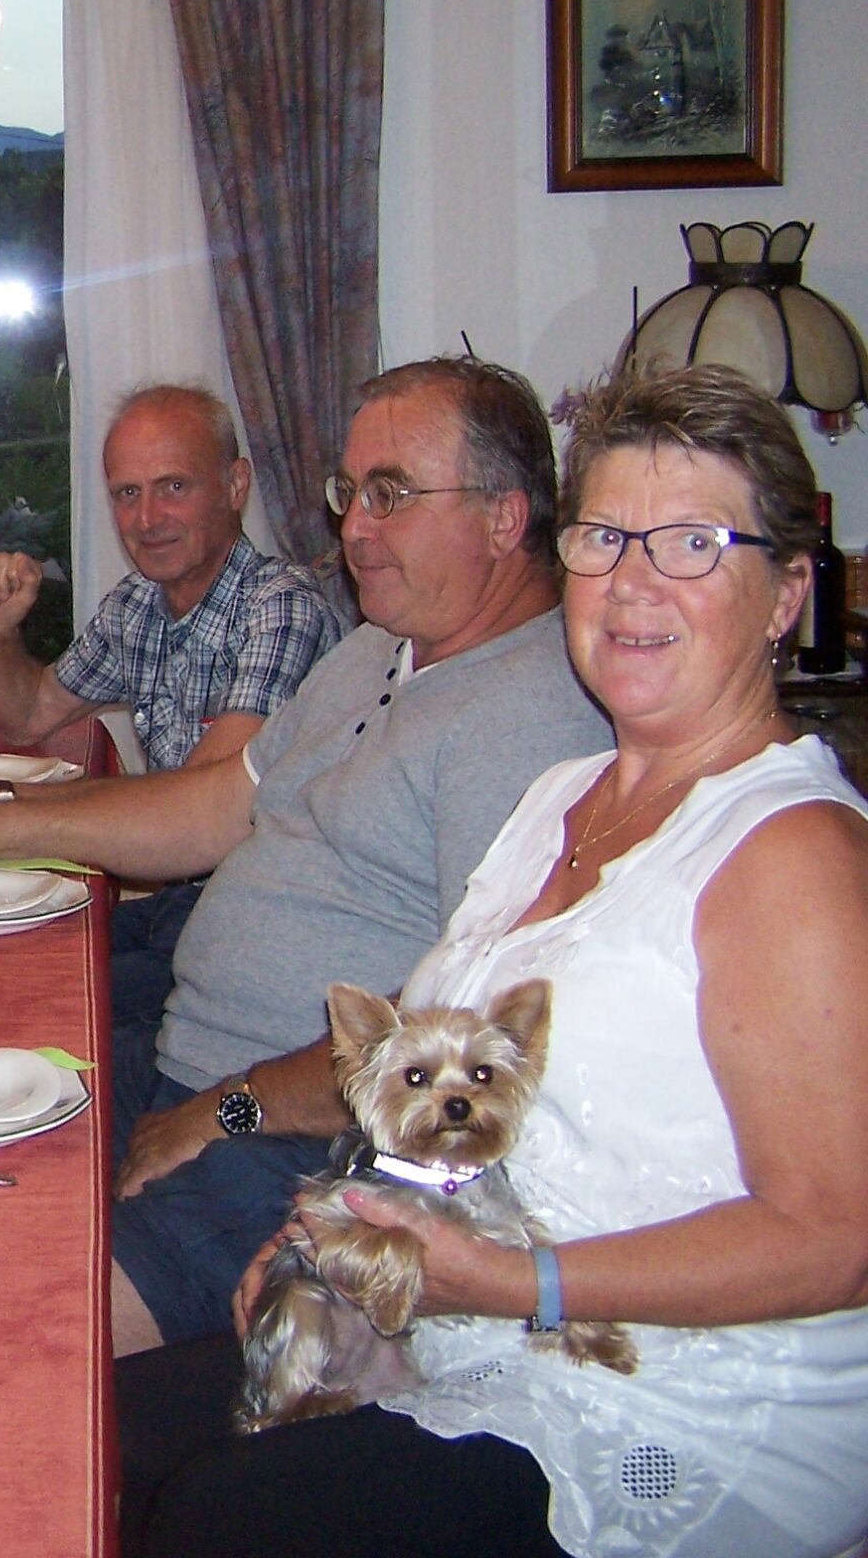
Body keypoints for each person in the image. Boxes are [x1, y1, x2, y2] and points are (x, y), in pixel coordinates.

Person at [120, 365, 868, 1558]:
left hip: (688, 1402)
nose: (629, 582)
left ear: (782, 596)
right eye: (605, 536)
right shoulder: (563, 799)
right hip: (483, 1329)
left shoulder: (790, 853)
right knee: (110, 1442)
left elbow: (836, 1237)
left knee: (223, 1521)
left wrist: (517, 1286)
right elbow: (431, 1070)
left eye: (688, 544)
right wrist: (338, 1227)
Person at [0, 357, 613, 1355]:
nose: (352, 529)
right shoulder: (376, 650)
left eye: (390, 494)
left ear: (505, 518)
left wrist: (228, 1110)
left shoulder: (525, 716)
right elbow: (215, 808)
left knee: (1, 1336)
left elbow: (457, 1040)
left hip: (299, 1141)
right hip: (190, 1055)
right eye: (350, 494)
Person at [0, 382, 339, 774]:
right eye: (128, 492)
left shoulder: (285, 609)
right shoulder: (135, 606)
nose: (147, 519)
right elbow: (28, 718)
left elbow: (205, 806)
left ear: (235, 485)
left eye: (173, 487)